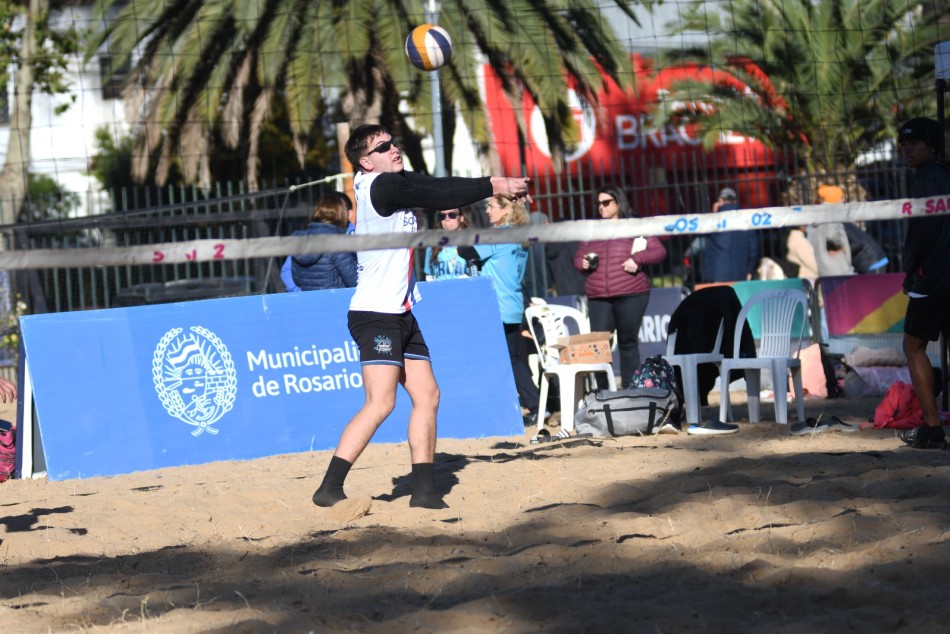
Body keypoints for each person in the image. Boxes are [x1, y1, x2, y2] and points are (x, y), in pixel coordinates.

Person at [311, 123, 532, 509]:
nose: (394, 148)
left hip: (401, 311)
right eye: (384, 146)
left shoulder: (391, 180)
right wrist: (495, 184)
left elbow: (437, 182)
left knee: (428, 395)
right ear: (366, 160)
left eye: (393, 142)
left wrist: (494, 182)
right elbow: (436, 195)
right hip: (375, 313)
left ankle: (425, 492)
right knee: (381, 403)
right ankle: (329, 487)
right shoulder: (381, 185)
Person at [574, 184, 667, 388]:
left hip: (631, 292)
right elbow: (579, 256)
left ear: (618, 202)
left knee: (628, 343)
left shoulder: (635, 225)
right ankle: (603, 393)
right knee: (599, 346)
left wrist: (638, 259)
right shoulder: (591, 229)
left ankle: (630, 390)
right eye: (598, 203)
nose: (601, 207)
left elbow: (659, 251)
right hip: (599, 295)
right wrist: (582, 263)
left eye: (606, 202)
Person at [895, 117, 950, 448]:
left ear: (932, 145)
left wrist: (910, 267)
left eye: (914, 143)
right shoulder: (946, 171)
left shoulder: (926, 177)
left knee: (913, 346)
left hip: (933, 277)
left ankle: (931, 428)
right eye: (904, 143)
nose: (907, 149)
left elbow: (923, 230)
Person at [475, 196, 544, 423]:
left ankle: (534, 404)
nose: (487, 211)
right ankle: (532, 404)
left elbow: (468, 253)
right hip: (512, 305)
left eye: (491, 206)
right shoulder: (519, 235)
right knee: (512, 359)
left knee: (508, 361)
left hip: (496, 306)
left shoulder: (500, 234)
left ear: (506, 209)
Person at [282, 195, 358, 291]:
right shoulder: (337, 243)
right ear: (341, 215)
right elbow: (353, 281)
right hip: (336, 301)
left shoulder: (299, 240)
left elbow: (290, 274)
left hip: (307, 300)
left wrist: (298, 293)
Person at [700, 187, 760, 283]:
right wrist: (749, 270)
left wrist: (713, 214)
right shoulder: (746, 219)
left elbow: (704, 239)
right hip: (741, 273)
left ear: (720, 200)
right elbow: (754, 249)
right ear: (735, 201)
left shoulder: (715, 220)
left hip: (718, 274)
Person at [808, 185, 854, 277]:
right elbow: (831, 235)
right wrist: (841, 247)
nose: (843, 201)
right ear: (834, 198)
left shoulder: (816, 215)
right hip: (838, 265)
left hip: (823, 265)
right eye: (841, 198)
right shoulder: (832, 214)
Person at [424, 209, 472, 280]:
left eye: (452, 215)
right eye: (442, 216)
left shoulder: (472, 244)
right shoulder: (433, 246)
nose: (447, 219)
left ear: (461, 218)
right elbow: (429, 276)